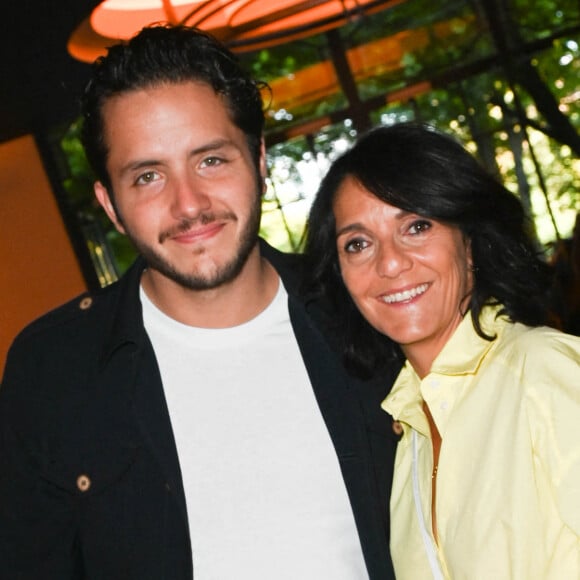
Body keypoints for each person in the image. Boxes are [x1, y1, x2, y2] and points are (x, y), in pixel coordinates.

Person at [0, 25, 399, 579]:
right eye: (147, 176)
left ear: (259, 160)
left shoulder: (368, 308)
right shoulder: (54, 370)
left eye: (210, 160)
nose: (189, 204)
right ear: (110, 204)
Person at [304, 122, 580, 579]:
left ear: (469, 242)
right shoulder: (407, 436)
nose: (390, 262)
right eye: (358, 243)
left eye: (416, 226)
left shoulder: (543, 372)